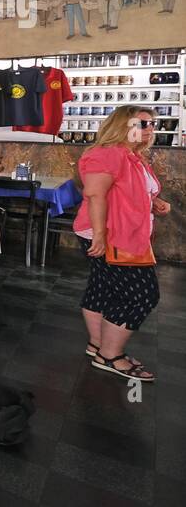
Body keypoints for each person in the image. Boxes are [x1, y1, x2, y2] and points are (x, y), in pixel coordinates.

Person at [74, 105, 167, 382]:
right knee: (141, 295)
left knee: (102, 289)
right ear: (122, 125)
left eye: (153, 124)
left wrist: (154, 201)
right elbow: (95, 195)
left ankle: (97, 345)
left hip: (120, 233)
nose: (150, 129)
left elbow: (127, 192)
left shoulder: (132, 156)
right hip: (111, 235)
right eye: (143, 123)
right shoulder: (108, 154)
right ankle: (110, 355)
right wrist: (101, 236)